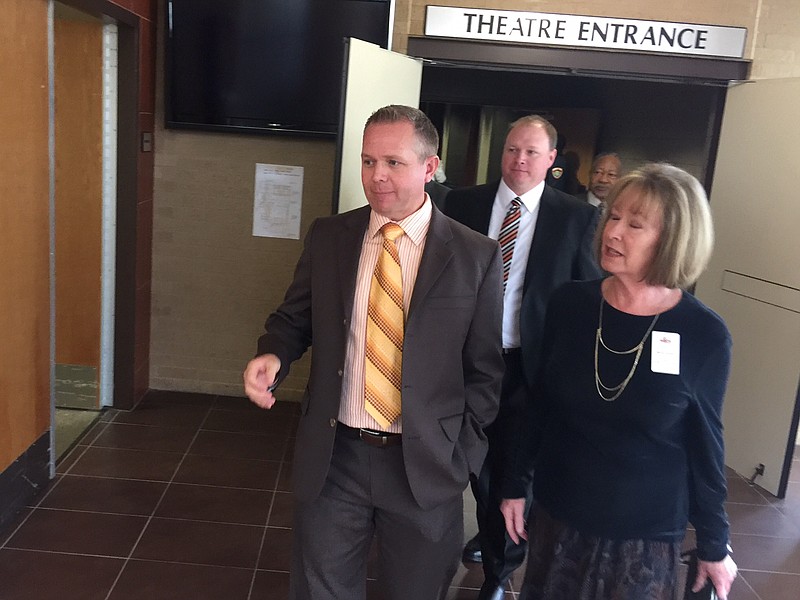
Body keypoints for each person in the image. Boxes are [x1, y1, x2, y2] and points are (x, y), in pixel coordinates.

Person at [243, 105, 505, 600]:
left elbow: (485, 371)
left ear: (430, 168)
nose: (376, 176)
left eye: (393, 163)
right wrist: (273, 354)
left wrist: (460, 454)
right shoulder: (331, 237)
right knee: (321, 590)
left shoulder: (474, 256)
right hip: (336, 456)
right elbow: (294, 318)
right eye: (367, 162)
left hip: (425, 464)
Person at [501, 163, 738, 600]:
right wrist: (515, 484)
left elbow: (706, 444)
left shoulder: (703, 333)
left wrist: (713, 542)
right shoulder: (570, 304)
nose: (613, 233)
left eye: (635, 225)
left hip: (643, 534)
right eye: (613, 217)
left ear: (672, 240)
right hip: (560, 512)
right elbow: (540, 404)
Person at [443, 115, 602, 600]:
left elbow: (586, 295)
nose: (519, 160)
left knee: (513, 472)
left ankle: (499, 572)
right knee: (470, 462)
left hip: (529, 369)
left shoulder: (576, 218)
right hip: (467, 364)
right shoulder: (462, 203)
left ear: (551, 160)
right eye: (513, 149)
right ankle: (489, 532)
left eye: (532, 152)